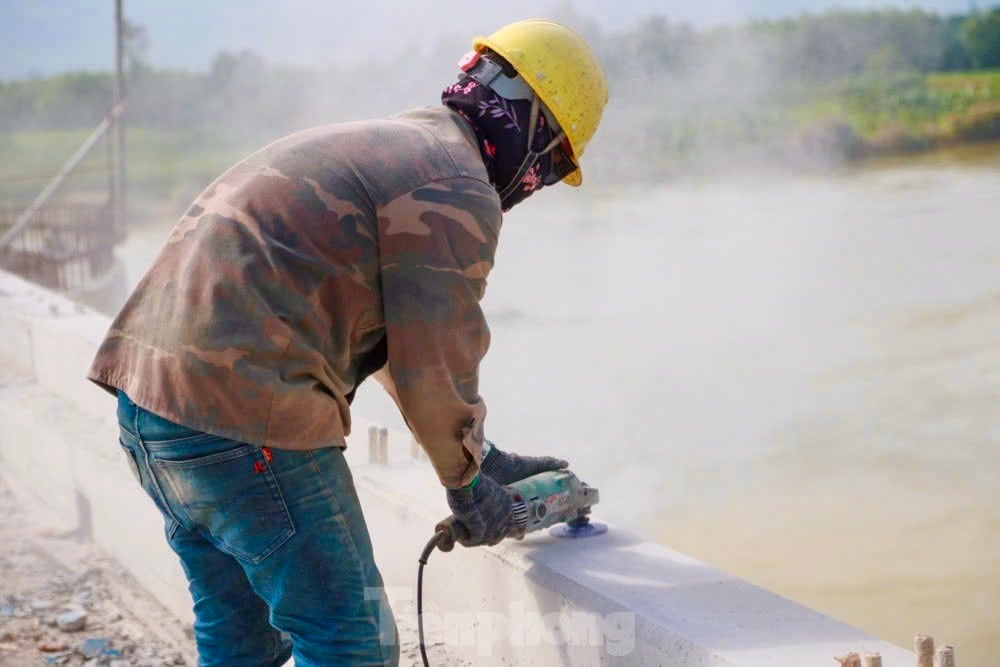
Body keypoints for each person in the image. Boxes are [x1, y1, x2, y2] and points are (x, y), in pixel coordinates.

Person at [87, 18, 608, 667]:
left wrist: (481, 459)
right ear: (535, 135)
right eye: (552, 167)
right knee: (352, 642)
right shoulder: (457, 184)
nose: (539, 184)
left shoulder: (401, 143)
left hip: (149, 406)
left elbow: (393, 344)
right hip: (241, 420)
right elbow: (436, 356)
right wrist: (470, 486)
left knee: (243, 640)